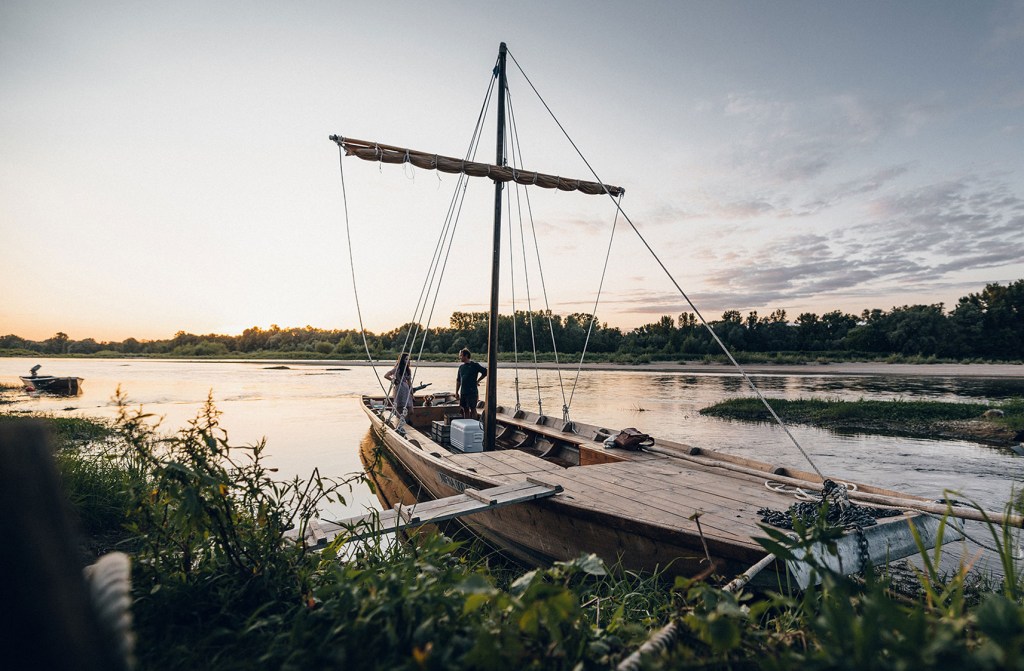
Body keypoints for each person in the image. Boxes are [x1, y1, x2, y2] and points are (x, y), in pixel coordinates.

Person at [455, 348, 486, 419]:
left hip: (472, 392)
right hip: (463, 392)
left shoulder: (475, 365)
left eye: (461, 356)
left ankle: (474, 423)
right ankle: (467, 422)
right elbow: (458, 380)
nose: (460, 357)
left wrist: (478, 381)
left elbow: (485, 372)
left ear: (466, 356)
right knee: (465, 409)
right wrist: (456, 392)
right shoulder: (461, 367)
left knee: (473, 409)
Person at [384, 352, 414, 427]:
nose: (408, 361)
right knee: (400, 409)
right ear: (402, 360)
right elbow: (386, 375)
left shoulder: (408, 370)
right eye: (406, 359)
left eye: (408, 359)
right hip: (399, 389)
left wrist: (412, 393)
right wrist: (395, 381)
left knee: (410, 410)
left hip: (406, 390)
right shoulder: (397, 369)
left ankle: (406, 423)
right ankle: (400, 425)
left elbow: (409, 382)